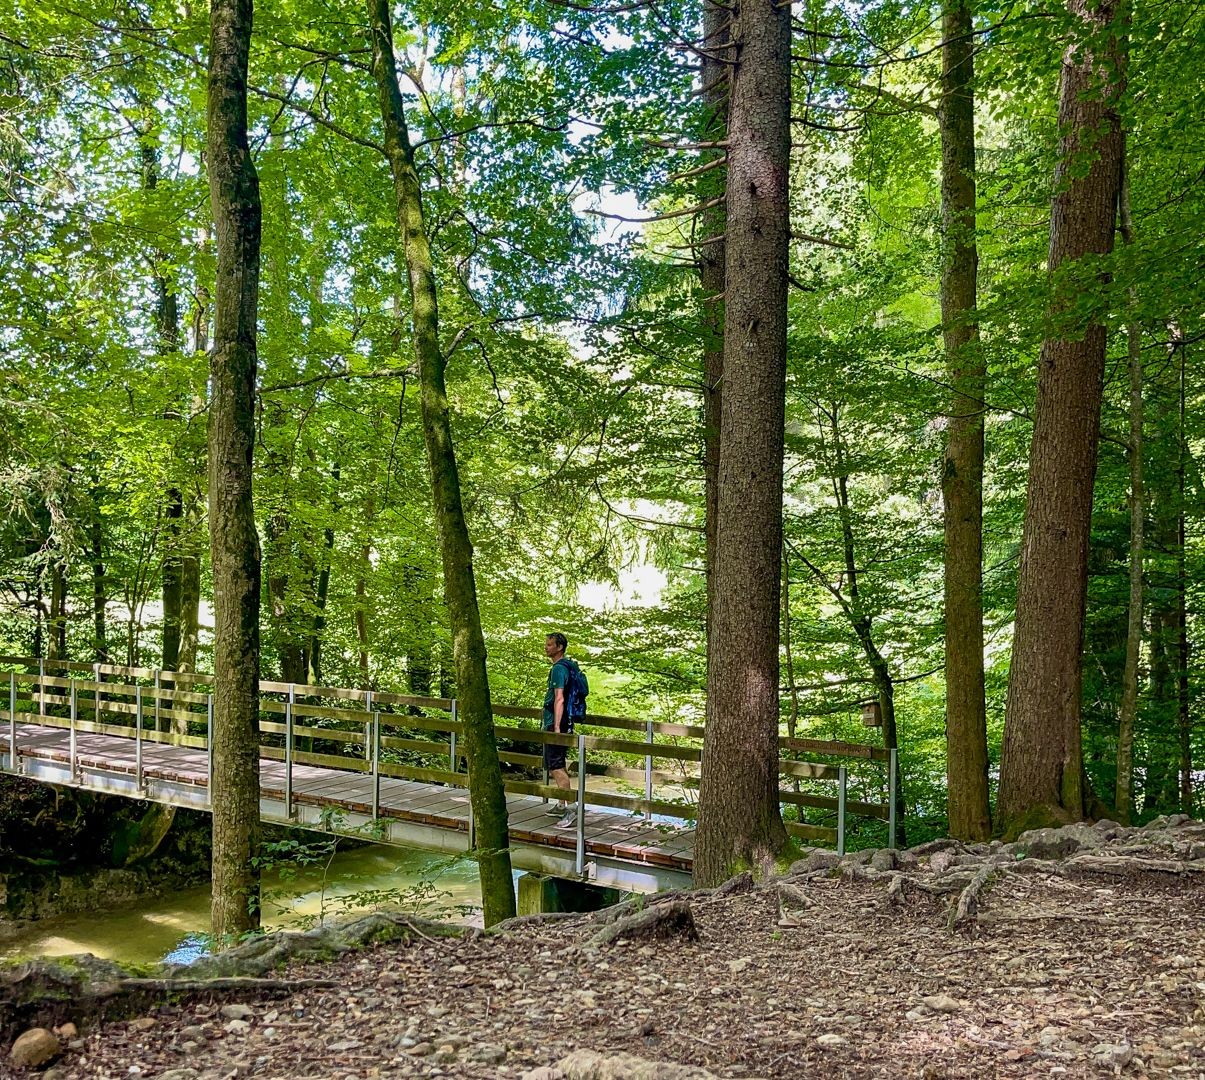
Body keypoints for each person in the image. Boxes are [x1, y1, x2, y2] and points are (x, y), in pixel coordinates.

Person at [543, 632, 583, 830]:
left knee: (556, 765)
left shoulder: (559, 669)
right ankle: (560, 803)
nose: (546, 647)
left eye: (550, 644)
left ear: (559, 647)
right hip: (561, 722)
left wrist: (557, 728)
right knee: (555, 763)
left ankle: (571, 808)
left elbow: (559, 698)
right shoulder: (568, 666)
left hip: (557, 723)